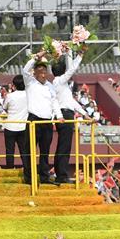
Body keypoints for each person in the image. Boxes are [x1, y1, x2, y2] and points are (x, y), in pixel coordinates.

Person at [21, 52, 62, 185]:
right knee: (30, 149)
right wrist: (36, 58)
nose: (43, 74)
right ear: (35, 73)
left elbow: (54, 101)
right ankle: (29, 177)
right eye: (40, 71)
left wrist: (59, 116)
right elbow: (25, 70)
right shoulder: (30, 83)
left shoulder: (50, 86)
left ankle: (44, 176)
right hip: (34, 120)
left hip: (47, 121)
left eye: (45, 71)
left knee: (45, 151)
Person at [51, 52, 84, 184]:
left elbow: (71, 102)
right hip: (64, 116)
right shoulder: (59, 81)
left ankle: (61, 174)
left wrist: (85, 113)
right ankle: (61, 175)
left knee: (63, 146)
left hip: (66, 114)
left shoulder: (61, 84)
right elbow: (72, 69)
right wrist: (80, 55)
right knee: (64, 147)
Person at [2, 75, 28, 170]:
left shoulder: (10, 96)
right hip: (23, 126)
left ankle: (10, 169)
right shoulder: (28, 95)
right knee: (24, 151)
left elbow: (5, 107)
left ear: (14, 85)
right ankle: (27, 169)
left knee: (9, 150)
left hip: (10, 126)